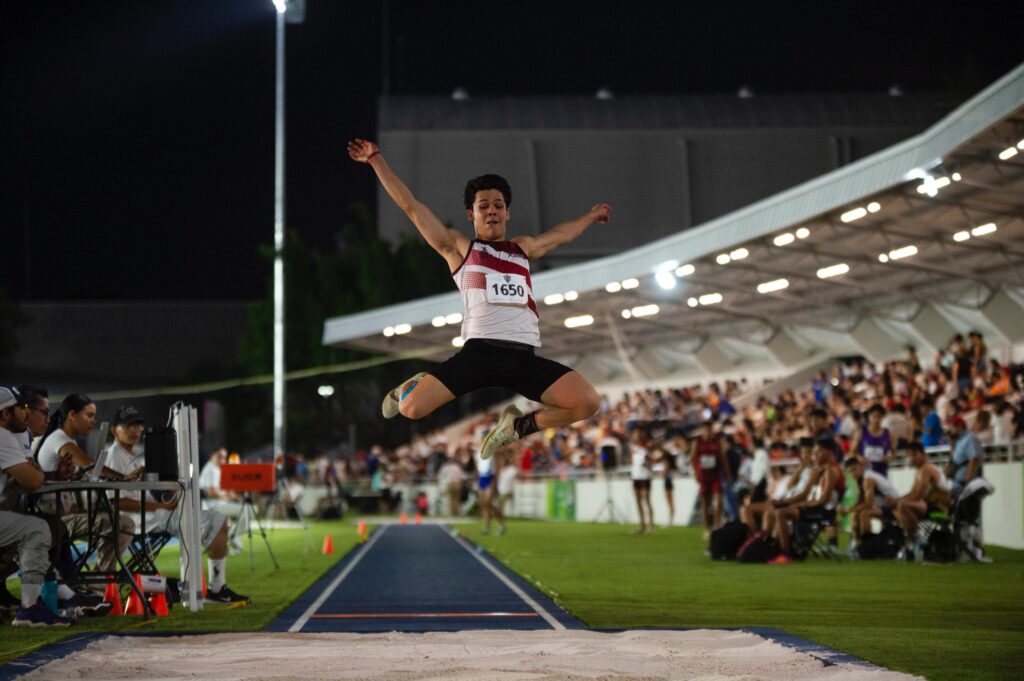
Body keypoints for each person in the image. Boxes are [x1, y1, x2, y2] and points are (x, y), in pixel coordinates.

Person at [348, 138, 609, 460]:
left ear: (507, 212)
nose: (492, 210)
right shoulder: (460, 249)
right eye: (483, 205)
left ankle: (516, 426)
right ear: (471, 214)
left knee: (587, 402)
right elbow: (412, 207)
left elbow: (560, 235)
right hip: (479, 353)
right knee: (411, 409)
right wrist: (376, 160)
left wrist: (591, 216)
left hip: (522, 357)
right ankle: (413, 385)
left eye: (498, 205)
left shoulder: (522, 249)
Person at [104, 406, 250, 604]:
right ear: (114, 430)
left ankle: (214, 587)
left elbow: (142, 494)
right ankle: (214, 588)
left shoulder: (135, 455)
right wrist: (159, 507)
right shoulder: (113, 456)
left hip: (153, 515)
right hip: (141, 520)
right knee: (217, 520)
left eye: (138, 425)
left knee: (218, 520)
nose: (136, 429)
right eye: (128, 425)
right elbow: (115, 502)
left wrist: (164, 495)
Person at [34, 394, 138, 577]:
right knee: (122, 524)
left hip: (65, 512)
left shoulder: (67, 440)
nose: (93, 421)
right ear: (72, 415)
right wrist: (123, 477)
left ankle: (101, 574)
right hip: (54, 517)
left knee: (122, 523)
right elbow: (88, 465)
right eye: (89, 416)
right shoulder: (60, 439)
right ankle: (102, 577)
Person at [0, 386, 76, 627]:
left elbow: (31, 472)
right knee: (37, 529)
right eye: (22, 409)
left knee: (40, 529)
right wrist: (38, 473)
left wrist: (44, 473)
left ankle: (36, 601)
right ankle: (29, 608)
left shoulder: (9, 433)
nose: (26, 413)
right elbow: (32, 479)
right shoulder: (2, 435)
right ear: (5, 414)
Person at [894, 442, 952, 561]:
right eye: (910, 455)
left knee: (903, 507)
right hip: (928, 505)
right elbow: (912, 493)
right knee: (899, 507)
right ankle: (915, 543)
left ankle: (918, 542)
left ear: (923, 455)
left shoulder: (927, 468)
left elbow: (918, 495)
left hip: (940, 507)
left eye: (915, 454)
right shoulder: (919, 471)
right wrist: (898, 500)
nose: (912, 458)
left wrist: (901, 502)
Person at [843, 456, 900, 555]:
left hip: (894, 508)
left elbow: (868, 504)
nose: (853, 473)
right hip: (882, 507)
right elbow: (860, 501)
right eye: (850, 472)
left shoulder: (868, 479)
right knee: (855, 514)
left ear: (861, 467)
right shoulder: (860, 480)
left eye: (854, 469)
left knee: (864, 514)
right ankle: (856, 545)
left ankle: (867, 546)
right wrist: (850, 509)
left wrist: (848, 509)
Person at [198, 447, 248, 550]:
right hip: (214, 505)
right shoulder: (211, 469)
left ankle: (234, 540)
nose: (222, 460)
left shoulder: (216, 469)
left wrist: (236, 497)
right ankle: (232, 534)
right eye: (220, 457)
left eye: (224, 457)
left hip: (218, 503)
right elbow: (212, 492)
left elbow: (224, 489)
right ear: (213, 456)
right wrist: (226, 498)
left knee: (245, 509)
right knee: (248, 510)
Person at [691, 421, 731, 540]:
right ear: (703, 430)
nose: (708, 432)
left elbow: (723, 458)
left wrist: (728, 474)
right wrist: (696, 473)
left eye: (710, 430)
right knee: (705, 503)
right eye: (706, 430)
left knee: (718, 501)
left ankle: (716, 526)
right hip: (703, 475)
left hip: (715, 475)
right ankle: (706, 529)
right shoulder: (697, 442)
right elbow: (693, 458)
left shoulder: (717, 442)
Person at [853, 404, 893, 477]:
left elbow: (894, 453)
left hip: (882, 471)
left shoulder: (888, 434)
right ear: (869, 416)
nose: (876, 419)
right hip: (865, 471)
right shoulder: (861, 432)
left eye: (879, 417)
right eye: (874, 416)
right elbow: (852, 451)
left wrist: (888, 457)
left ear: (883, 418)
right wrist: (859, 458)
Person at [947, 415, 982, 498]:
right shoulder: (959, 440)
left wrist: (968, 481)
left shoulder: (970, 438)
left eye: (952, 427)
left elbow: (973, 459)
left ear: (959, 426)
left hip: (965, 482)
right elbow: (956, 458)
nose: (951, 430)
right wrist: (952, 444)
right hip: (957, 481)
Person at [475, 446, 506, 535]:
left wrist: (495, 481)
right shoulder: (478, 452)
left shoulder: (493, 452)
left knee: (488, 503)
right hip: (482, 478)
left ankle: (501, 523)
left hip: (490, 478)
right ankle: (486, 527)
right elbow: (478, 466)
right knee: (484, 504)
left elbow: (497, 467)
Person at [628, 427, 653, 534]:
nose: (636, 435)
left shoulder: (647, 445)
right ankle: (642, 524)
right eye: (635, 433)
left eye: (638, 433)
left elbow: (651, 461)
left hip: (645, 475)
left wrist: (647, 463)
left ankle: (650, 525)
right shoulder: (632, 447)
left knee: (646, 500)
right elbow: (631, 460)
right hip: (636, 475)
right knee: (638, 501)